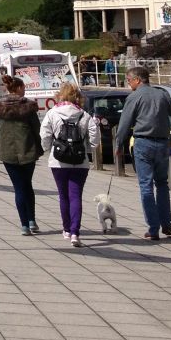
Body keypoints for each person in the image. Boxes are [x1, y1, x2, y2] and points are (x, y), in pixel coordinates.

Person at [114, 66, 171, 239]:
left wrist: (119, 145)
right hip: (162, 144)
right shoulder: (163, 95)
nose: (128, 83)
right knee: (162, 184)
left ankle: (153, 228)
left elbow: (124, 124)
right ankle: (166, 224)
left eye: (129, 80)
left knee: (146, 186)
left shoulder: (134, 97)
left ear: (137, 80)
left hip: (143, 143)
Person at [40, 82, 100, 247]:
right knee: (76, 196)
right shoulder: (84, 115)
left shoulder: (53, 113)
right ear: (77, 97)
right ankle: (75, 232)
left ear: (61, 95)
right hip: (80, 162)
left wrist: (46, 149)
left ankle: (66, 229)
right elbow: (95, 138)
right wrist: (88, 147)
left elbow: (44, 134)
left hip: (58, 161)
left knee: (63, 195)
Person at [0, 75, 43, 234]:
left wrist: (4, 144)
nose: (25, 89)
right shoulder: (28, 107)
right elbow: (37, 129)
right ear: (19, 88)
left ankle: (24, 225)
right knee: (27, 185)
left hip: (8, 153)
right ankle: (31, 221)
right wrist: (38, 146)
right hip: (28, 151)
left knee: (19, 187)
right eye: (24, 87)